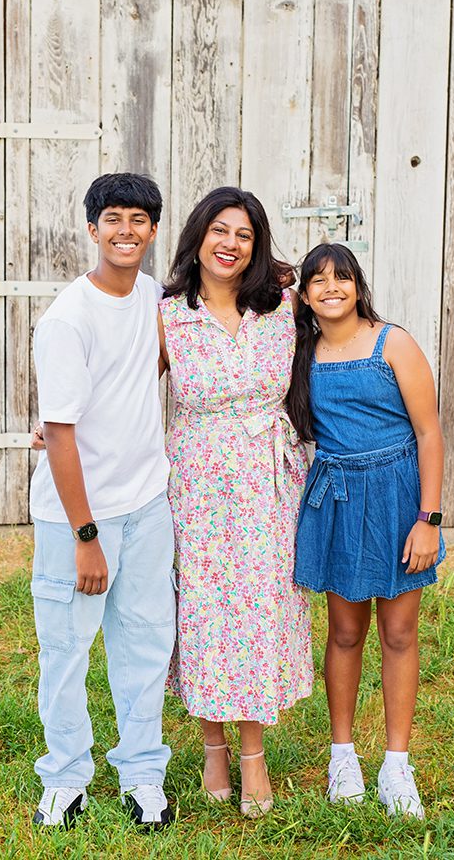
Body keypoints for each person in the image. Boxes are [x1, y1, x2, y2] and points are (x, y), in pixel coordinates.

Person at [158, 187, 314, 818]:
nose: (230, 244)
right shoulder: (168, 315)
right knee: (205, 609)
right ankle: (215, 747)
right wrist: (58, 425)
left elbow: (340, 326)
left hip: (271, 481)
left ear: (258, 245)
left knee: (259, 608)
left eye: (244, 234)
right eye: (219, 230)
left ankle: (253, 752)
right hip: (198, 482)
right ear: (197, 237)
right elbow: (125, 387)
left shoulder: (281, 304)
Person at [28, 173, 175, 830]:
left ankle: (143, 774)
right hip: (77, 518)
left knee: (144, 641)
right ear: (92, 228)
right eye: (113, 218)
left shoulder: (153, 297)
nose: (126, 230)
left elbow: (149, 368)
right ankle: (65, 779)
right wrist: (87, 535)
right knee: (66, 646)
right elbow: (58, 433)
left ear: (152, 230)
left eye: (139, 219)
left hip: (146, 503)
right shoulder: (68, 317)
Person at [285, 243, 445, 820]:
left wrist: (428, 520)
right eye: (318, 281)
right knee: (345, 632)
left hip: (398, 497)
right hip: (338, 498)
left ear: (359, 285)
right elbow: (261, 292)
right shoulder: (299, 349)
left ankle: (396, 765)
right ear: (304, 294)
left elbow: (429, 433)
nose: (332, 288)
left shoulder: (391, 342)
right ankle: (343, 756)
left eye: (342, 278)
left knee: (399, 633)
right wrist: (286, 280)